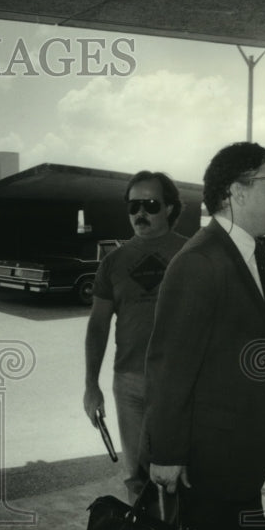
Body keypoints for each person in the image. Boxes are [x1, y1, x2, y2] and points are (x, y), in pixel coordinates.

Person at [140, 142, 265, 530]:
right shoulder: (200, 262)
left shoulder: (251, 254)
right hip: (216, 468)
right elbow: (169, 365)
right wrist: (165, 453)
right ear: (237, 191)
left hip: (249, 461)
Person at [83, 171, 187, 502]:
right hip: (128, 384)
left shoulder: (191, 256)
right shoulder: (113, 262)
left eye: (151, 205)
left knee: (181, 477)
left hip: (179, 385)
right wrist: (91, 386)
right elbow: (98, 326)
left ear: (169, 208)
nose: (140, 213)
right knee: (137, 479)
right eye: (134, 206)